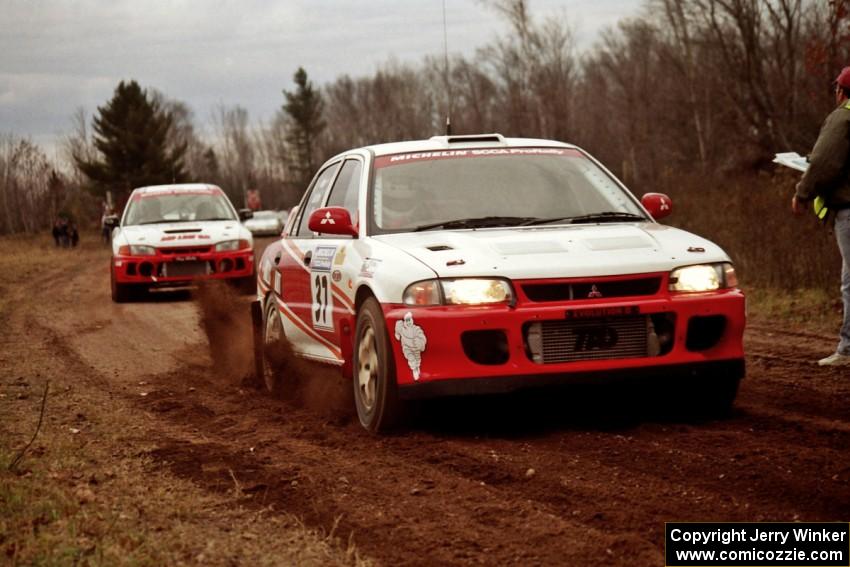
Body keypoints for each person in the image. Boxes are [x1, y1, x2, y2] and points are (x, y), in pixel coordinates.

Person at [793, 66, 850, 367]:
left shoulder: (842, 117)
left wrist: (803, 193)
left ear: (841, 92)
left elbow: (825, 164)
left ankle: (849, 350)